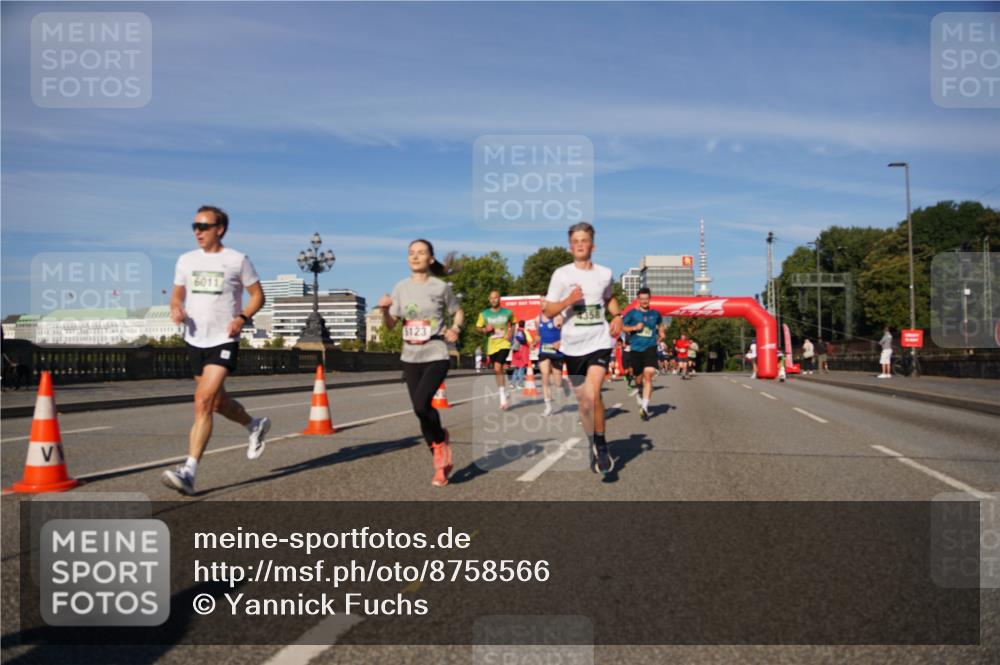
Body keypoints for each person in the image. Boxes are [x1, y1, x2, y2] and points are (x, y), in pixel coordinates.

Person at [162, 206, 270, 496]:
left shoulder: (237, 260)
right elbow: (176, 295)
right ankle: (254, 425)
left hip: (224, 339)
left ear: (219, 229)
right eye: (194, 226)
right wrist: (176, 308)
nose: (197, 231)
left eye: (203, 226)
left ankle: (189, 472)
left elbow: (258, 296)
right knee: (217, 403)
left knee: (202, 401)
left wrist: (242, 318)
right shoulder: (186, 260)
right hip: (194, 339)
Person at [378, 239, 463, 487]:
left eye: (421, 252)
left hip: (436, 352)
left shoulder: (440, 287)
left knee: (420, 404)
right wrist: (384, 311)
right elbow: (391, 325)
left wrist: (455, 328)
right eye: (411, 253)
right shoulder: (400, 288)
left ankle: (439, 456)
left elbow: (457, 311)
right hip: (410, 355)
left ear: (431, 258)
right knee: (420, 411)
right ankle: (439, 449)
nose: (415, 257)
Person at [543, 222, 622, 475]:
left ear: (592, 245)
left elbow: (609, 298)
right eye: (575, 241)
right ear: (570, 247)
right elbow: (548, 310)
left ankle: (601, 444)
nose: (579, 244)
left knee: (593, 394)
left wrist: (617, 316)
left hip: (599, 341)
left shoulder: (605, 273)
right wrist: (568, 300)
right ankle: (592, 441)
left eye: (584, 240)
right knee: (584, 403)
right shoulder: (561, 275)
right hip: (572, 346)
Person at [622, 287, 665, 421]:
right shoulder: (632, 313)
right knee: (638, 378)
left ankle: (645, 407)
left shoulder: (655, 314)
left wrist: (661, 332)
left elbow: (660, 324)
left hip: (650, 347)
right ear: (638, 300)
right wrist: (634, 328)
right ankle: (640, 391)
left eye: (646, 298)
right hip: (636, 349)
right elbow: (622, 326)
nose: (645, 301)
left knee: (648, 375)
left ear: (650, 299)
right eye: (642, 299)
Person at [476, 291, 516, 410]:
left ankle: (502, 398)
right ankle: (503, 392)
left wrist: (511, 333)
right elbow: (478, 328)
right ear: (489, 299)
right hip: (492, 345)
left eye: (496, 298)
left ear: (499, 299)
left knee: (498, 367)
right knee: (497, 370)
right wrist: (484, 330)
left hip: (504, 344)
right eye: (491, 298)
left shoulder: (508, 312)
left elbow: (514, 323)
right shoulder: (484, 314)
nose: (494, 300)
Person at [536, 311, 567, 416]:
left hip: (557, 352)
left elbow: (566, 332)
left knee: (558, 383)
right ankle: (548, 407)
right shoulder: (538, 319)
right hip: (544, 351)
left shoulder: (558, 317)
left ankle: (564, 382)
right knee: (545, 376)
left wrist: (560, 342)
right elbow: (538, 335)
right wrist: (534, 342)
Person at [510, 321, 532, 390]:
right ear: (524, 325)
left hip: (515, 351)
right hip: (523, 351)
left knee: (516, 368)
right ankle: (520, 384)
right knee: (522, 368)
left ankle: (512, 384)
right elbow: (530, 340)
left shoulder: (515, 332)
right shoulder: (525, 331)